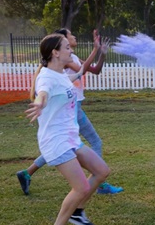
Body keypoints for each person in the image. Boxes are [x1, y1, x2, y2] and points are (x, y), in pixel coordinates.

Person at [17, 28, 123, 195]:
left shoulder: (69, 56)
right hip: (70, 107)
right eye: (70, 36)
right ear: (61, 43)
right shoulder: (63, 60)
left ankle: (27, 172)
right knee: (92, 143)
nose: (74, 37)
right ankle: (99, 182)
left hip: (72, 106)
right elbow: (79, 73)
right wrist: (95, 49)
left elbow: (91, 70)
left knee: (67, 145)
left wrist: (101, 53)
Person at [25, 33, 110, 225]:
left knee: (102, 171)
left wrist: (99, 53)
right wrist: (39, 103)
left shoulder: (60, 74)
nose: (71, 50)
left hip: (70, 139)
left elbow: (77, 74)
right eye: (66, 47)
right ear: (55, 52)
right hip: (56, 142)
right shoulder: (45, 77)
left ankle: (77, 210)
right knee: (81, 188)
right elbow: (43, 93)